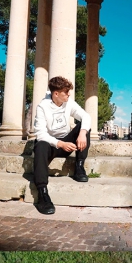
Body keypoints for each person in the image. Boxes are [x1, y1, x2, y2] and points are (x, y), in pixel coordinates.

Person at [32, 76, 92, 215]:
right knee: (40, 145)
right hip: (51, 145)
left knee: (84, 127)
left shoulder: (68, 102)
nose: (69, 94)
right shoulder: (42, 107)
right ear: (56, 93)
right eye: (66, 92)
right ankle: (43, 193)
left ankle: (79, 167)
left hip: (66, 142)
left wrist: (82, 133)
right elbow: (40, 133)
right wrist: (60, 143)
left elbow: (86, 116)